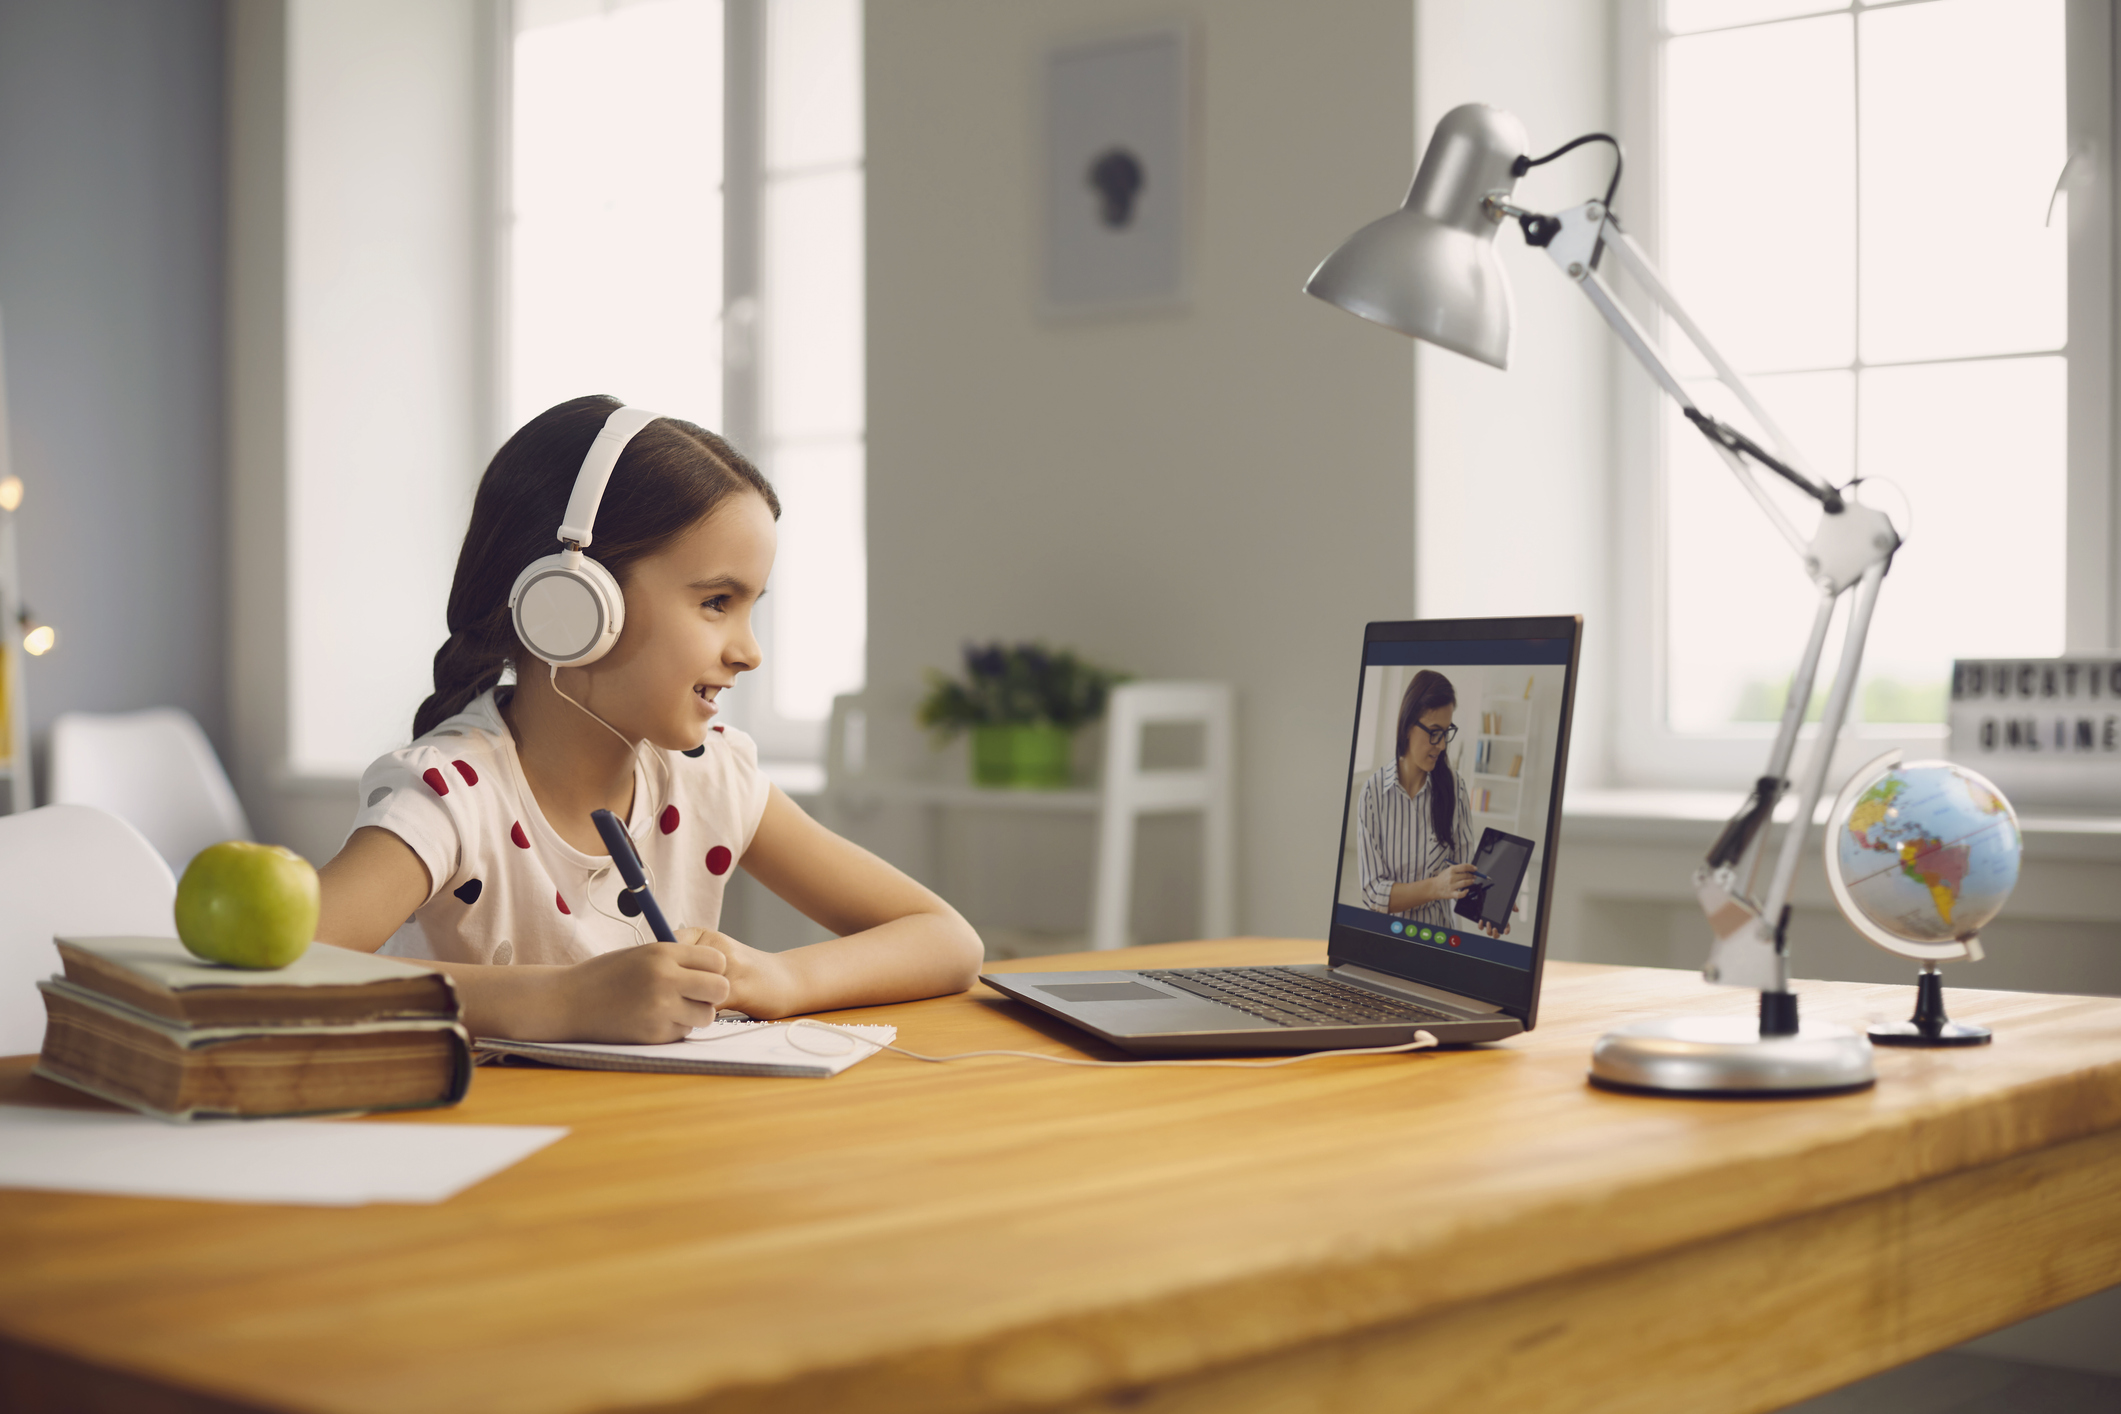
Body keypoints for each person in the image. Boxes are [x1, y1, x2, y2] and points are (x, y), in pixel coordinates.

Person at [314, 395, 983, 1042]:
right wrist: (559, 998)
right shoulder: (451, 794)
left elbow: (947, 939)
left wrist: (777, 976)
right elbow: (266, 976)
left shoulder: (709, 775)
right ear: (572, 602)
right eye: (717, 602)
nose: (749, 652)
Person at [1355, 669, 1499, 934]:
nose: (1442, 745)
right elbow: (1373, 893)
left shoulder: (1455, 789)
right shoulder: (1373, 794)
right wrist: (1435, 887)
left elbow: (1464, 874)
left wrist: (1492, 904)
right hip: (1386, 942)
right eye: (1434, 732)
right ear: (1409, 726)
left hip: (1438, 942)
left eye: (1446, 732)